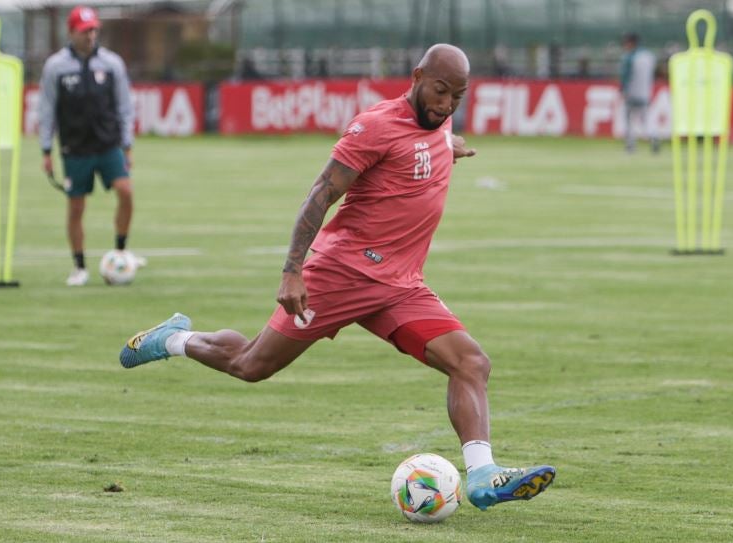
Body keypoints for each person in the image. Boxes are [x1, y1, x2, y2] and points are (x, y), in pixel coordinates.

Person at [119, 43, 556, 511]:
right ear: (416, 77)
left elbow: (428, 140)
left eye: (457, 96)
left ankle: (483, 475)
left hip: (400, 284)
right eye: (440, 91)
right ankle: (173, 339)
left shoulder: (438, 123)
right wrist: (292, 272)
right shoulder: (374, 127)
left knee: (471, 363)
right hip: (340, 274)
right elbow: (319, 195)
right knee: (252, 365)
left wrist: (450, 146)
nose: (446, 104)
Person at [39, 5, 140, 286]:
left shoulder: (112, 64)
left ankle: (121, 250)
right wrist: (46, 150)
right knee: (76, 208)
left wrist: (127, 145)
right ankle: (79, 266)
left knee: (126, 192)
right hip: (75, 149)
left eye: (94, 29)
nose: (91, 35)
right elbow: (47, 109)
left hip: (109, 145)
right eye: (85, 31)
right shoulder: (55, 67)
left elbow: (124, 106)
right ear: (71, 32)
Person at [619, 32, 659, 153]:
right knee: (646, 119)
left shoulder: (629, 57)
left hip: (631, 93)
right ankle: (654, 138)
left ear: (631, 43)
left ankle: (630, 145)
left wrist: (623, 90)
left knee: (628, 119)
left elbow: (625, 76)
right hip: (645, 93)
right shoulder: (649, 56)